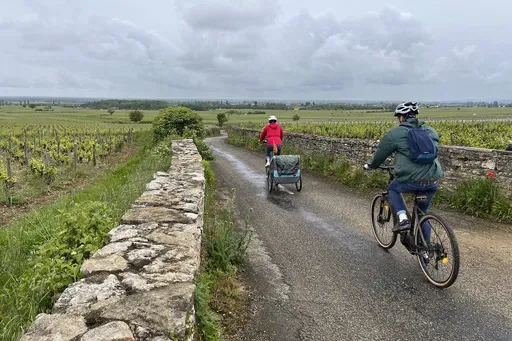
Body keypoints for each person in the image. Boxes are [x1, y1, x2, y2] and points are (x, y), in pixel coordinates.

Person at [363, 102, 443, 234]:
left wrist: (371, 165)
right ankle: (427, 251)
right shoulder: (430, 131)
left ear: (401, 117)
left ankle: (402, 218)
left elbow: (380, 155)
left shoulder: (395, 133)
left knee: (393, 188)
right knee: (422, 214)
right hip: (433, 179)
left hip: (411, 180)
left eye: (398, 117)